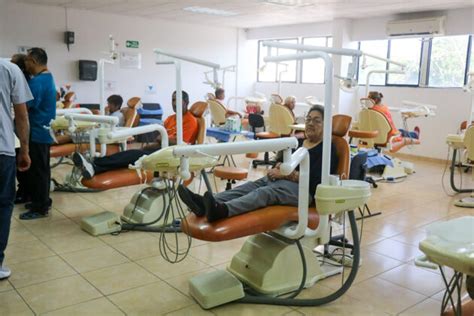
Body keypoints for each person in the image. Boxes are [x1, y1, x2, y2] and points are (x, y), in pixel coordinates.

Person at [178, 104, 338, 222]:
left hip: (304, 193)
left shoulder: (327, 149)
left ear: (326, 125)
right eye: (309, 119)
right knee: (248, 187)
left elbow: (317, 182)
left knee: (264, 193)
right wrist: (278, 167)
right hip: (283, 181)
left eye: (317, 121)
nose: (310, 123)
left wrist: (287, 174)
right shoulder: (300, 141)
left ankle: (223, 210)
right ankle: (206, 203)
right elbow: (282, 162)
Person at [73, 90, 198, 179]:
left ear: (186, 102)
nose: (174, 102)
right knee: (130, 154)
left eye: (178, 100)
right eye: (173, 100)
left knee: (133, 155)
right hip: (161, 149)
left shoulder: (191, 120)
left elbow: (183, 143)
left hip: (173, 156)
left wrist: (163, 139)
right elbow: (161, 138)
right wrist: (154, 144)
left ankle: (95, 165)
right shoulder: (171, 118)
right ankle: (95, 165)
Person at [0, 59, 32, 279]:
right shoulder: (8, 69)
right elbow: (21, 115)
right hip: (3, 149)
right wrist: (25, 149)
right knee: (2, 206)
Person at [16, 48, 56, 220]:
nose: (25, 65)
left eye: (26, 62)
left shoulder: (37, 82)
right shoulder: (47, 78)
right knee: (41, 170)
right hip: (43, 131)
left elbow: (26, 107)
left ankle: (40, 207)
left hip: (38, 132)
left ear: (32, 61)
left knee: (39, 171)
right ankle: (41, 201)